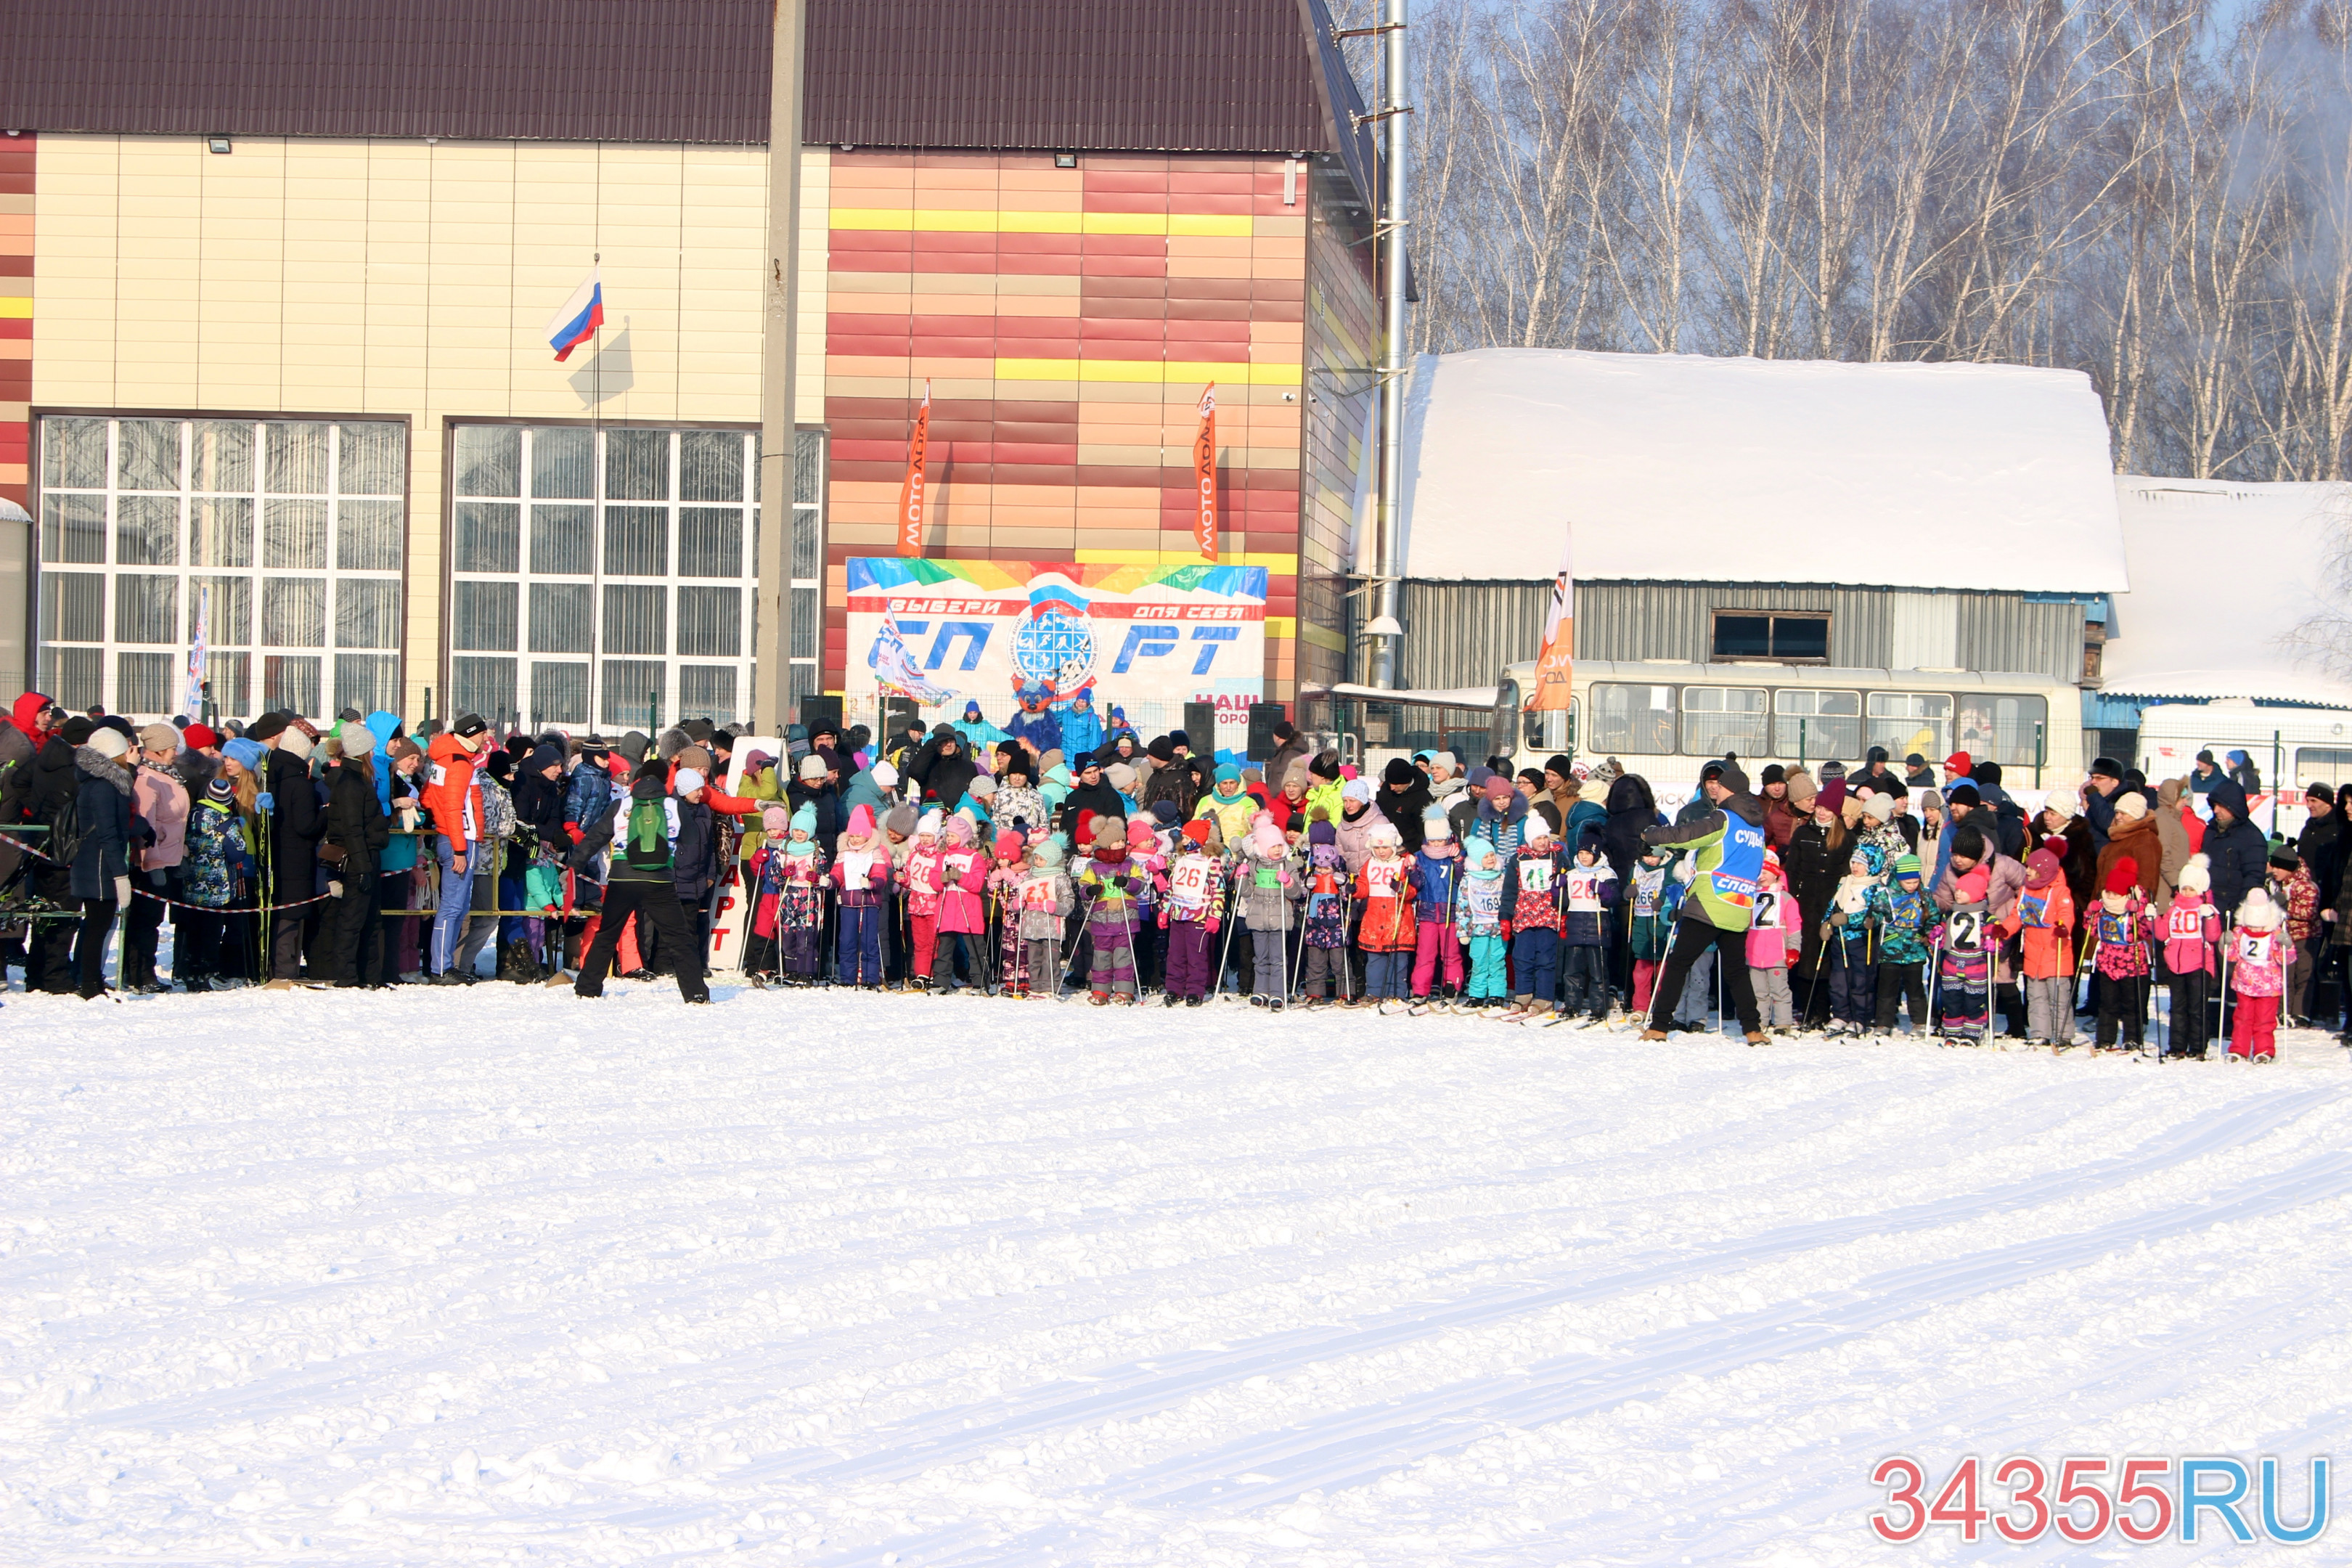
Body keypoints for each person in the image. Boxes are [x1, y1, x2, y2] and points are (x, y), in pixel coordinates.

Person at [1637, 764, 1769, 1044]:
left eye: (1720, 786)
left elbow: (1687, 835)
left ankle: (1659, 1026)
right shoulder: (1757, 828)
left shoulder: (1724, 818)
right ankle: (1753, 1030)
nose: (1715, 790)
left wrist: (1651, 835)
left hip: (1710, 902)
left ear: (1729, 790)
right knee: (1736, 971)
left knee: (1678, 964)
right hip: (1739, 904)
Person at [574, 771, 709, 1003]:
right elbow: (690, 839)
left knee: (608, 933)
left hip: (622, 880)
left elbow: (594, 838)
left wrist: (573, 866)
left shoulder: (621, 805)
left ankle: (587, 987)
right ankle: (696, 993)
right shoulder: (674, 806)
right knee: (679, 938)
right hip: (660, 881)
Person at [68, 724, 140, 1000]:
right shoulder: (103, 787)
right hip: (99, 866)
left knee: (98, 925)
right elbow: (108, 833)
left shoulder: (105, 783)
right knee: (97, 927)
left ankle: (94, 981)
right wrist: (120, 875)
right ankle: (89, 984)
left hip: (98, 863)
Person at [317, 724, 390, 987]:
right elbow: (352, 829)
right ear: (363, 752)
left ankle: (370, 975)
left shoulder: (357, 780)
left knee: (370, 919)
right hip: (358, 859)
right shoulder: (351, 783)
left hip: (366, 856)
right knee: (353, 919)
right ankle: (347, 976)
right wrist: (362, 867)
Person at [120, 723, 189, 993]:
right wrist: (153, 863)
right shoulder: (147, 779)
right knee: (145, 921)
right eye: (172, 749)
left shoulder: (166, 774)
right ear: (159, 750)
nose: (176, 754)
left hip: (169, 857)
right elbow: (146, 826)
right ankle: (140, 975)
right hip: (151, 863)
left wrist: (181, 853)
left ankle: (140, 972)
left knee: (152, 920)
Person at [421, 714, 489, 984]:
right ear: (470, 734)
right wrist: (460, 849)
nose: (486, 738)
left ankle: (445, 965)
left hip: (453, 837)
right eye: (482, 733)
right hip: (460, 840)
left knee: (457, 907)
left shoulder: (446, 760)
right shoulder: (459, 763)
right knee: (452, 906)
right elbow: (453, 808)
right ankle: (441, 968)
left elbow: (428, 797)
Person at [2003, 846, 2078, 1047]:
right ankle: (2039, 1033)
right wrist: (2004, 930)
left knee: (2058, 997)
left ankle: (2063, 1034)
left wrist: (2064, 928)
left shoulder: (2060, 891)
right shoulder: (2026, 890)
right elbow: (2017, 916)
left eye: (2031, 868)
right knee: (2036, 996)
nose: (2026, 871)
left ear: (2043, 870)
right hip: (2033, 953)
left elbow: (2067, 914)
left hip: (2055, 952)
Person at [1075, 814, 1147, 1004]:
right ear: (1106, 844)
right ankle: (1100, 991)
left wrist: (1128, 882)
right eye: (1117, 841)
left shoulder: (1130, 863)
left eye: (1123, 841)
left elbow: (1141, 883)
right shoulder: (1094, 866)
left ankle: (1124, 991)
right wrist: (1090, 890)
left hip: (1126, 919)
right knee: (1102, 957)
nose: (1121, 844)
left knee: (1123, 957)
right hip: (1103, 920)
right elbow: (1083, 887)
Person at [2156, 854, 2221, 1058]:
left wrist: (2210, 917)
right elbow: (2162, 934)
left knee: (2197, 1007)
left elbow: (2213, 936)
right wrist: (2153, 917)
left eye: (2191, 889)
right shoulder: (2174, 909)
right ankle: (2177, 1045)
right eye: (2184, 888)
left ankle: (2198, 1046)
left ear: (2200, 889)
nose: (2186, 892)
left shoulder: (2206, 909)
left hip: (2199, 964)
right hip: (2175, 963)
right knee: (2177, 1008)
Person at [1236, 812, 1302, 1008]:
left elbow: (1297, 893)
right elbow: (1245, 892)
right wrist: (1241, 878)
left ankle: (1278, 993)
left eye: (1280, 845)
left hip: (1280, 919)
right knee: (1261, 958)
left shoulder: (1288, 866)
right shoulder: (1254, 866)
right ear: (1264, 847)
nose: (1277, 849)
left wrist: (1288, 882)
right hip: (1258, 918)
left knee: (1278, 958)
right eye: (1273, 846)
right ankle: (1260, 990)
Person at [2088, 857, 2152, 1050]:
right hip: (2107, 963)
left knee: (2132, 1005)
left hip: (2132, 965)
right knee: (2107, 1004)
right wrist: (2090, 913)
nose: (2111, 896)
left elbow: (2146, 932)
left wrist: (2142, 914)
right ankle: (2105, 1038)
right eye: (2109, 892)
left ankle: (2133, 1038)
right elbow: (2092, 930)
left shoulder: (2135, 907)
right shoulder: (2103, 908)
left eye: (2115, 893)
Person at [1556, 827, 1618, 1024]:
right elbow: (1562, 902)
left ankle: (1598, 1007)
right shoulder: (1572, 873)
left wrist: (1603, 889)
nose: (1583, 857)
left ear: (1596, 854)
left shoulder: (1606, 873)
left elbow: (1613, 899)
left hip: (1597, 926)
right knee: (1572, 971)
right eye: (1581, 853)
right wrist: (1557, 888)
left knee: (1598, 971)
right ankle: (1572, 1005)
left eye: (1588, 853)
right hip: (1575, 925)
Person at [1355, 820, 1418, 1010]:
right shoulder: (1370, 864)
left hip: (1398, 920)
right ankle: (1374, 992)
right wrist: (1354, 889)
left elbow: (1413, 891)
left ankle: (1396, 992)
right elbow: (1364, 886)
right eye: (1377, 848)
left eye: (1385, 847)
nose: (1381, 851)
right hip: (1374, 921)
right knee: (1375, 960)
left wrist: (1401, 888)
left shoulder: (1403, 863)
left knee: (1398, 961)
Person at [1160, 820, 1221, 1006]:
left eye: (1187, 838)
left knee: (1196, 956)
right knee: (1175, 955)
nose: (1184, 842)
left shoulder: (1211, 861)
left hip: (1199, 915)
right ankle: (1174, 988)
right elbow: (1171, 886)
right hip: (1178, 914)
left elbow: (1218, 890)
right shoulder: (1181, 859)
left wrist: (1215, 915)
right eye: (1183, 838)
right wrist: (1164, 910)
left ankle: (1195, 991)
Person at [832, 804, 891, 989]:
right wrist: (830, 881)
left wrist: (872, 883)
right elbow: (837, 873)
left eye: (859, 836)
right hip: (848, 902)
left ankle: (869, 977)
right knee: (847, 941)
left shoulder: (874, 852)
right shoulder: (844, 852)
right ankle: (847, 978)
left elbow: (881, 875)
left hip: (868, 902)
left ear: (867, 835)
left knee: (869, 941)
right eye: (852, 836)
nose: (855, 839)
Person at [1010, 837, 1075, 999]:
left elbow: (1068, 903)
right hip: (1032, 926)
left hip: (1051, 926)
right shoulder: (1030, 877)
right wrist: (1017, 904)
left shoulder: (1060, 878)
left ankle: (1050, 986)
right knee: (1034, 959)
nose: (1037, 862)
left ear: (1051, 860)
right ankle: (1035, 986)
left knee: (1050, 959)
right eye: (1036, 858)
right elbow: (1019, 896)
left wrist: (1056, 907)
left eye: (1041, 859)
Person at [2228, 886, 2285, 1060]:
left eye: (2258, 926)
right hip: (2244, 983)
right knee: (2242, 1018)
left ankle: (2264, 1050)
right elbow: (2231, 956)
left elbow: (2285, 959)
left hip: (2269, 986)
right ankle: (2239, 1049)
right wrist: (2226, 943)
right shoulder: (2240, 933)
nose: (2255, 930)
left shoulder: (2275, 934)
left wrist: (2287, 946)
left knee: (2265, 1020)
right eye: (2251, 925)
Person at [2200, 777, 2267, 920]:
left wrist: (2240, 912)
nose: (2216, 810)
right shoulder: (2211, 831)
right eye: (2214, 806)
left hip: (2230, 910)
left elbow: (2254, 877)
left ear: (2233, 806)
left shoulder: (2252, 837)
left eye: (2221, 805)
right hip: (2205, 906)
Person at [1456, 834, 1510, 1011]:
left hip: (1498, 928)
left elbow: (1510, 900)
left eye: (1492, 855)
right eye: (1486, 857)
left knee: (1497, 960)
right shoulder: (1469, 879)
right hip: (1477, 928)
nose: (1490, 859)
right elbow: (1462, 905)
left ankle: (1497, 994)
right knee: (1479, 961)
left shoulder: (1502, 876)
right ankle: (1477, 994)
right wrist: (1462, 930)